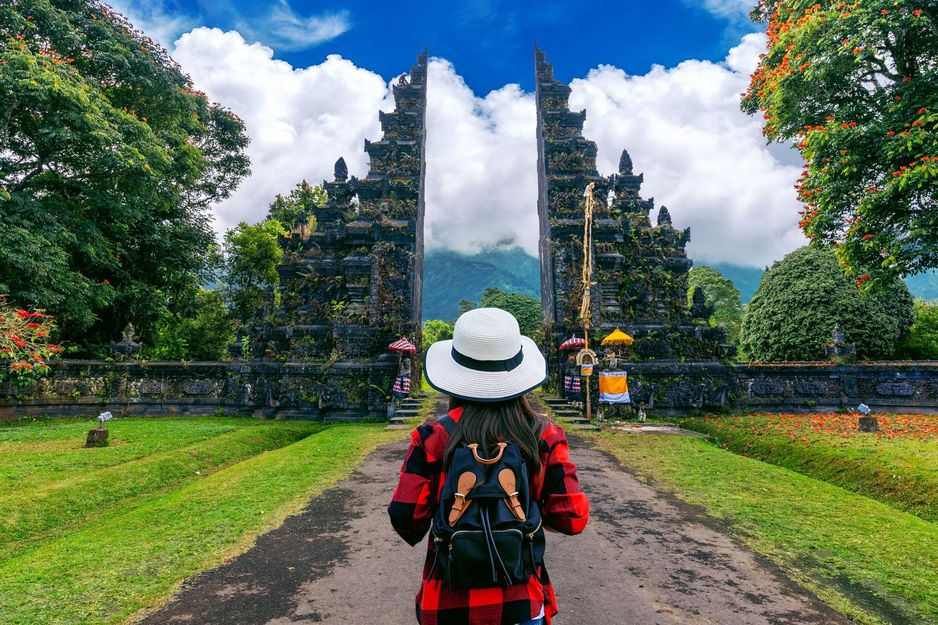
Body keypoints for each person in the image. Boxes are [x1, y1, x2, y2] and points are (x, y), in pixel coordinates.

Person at [389, 308, 590, 625]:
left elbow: (406, 517)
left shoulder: (431, 437)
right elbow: (572, 518)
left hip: (445, 603)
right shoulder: (543, 435)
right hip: (521, 601)